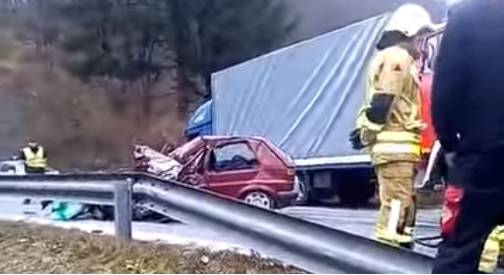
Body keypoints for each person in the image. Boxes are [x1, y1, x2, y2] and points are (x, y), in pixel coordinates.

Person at [350, 4, 435, 248]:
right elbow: (384, 99)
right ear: (408, 32)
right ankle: (388, 256)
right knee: (396, 203)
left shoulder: (401, 59)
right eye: (421, 35)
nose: (423, 42)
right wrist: (368, 131)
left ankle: (401, 243)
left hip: (399, 149)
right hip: (394, 148)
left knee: (403, 202)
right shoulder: (397, 57)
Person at [431, 1, 504, 273]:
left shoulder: (466, 17)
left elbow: (446, 90)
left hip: (480, 157)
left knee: (459, 251)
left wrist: (451, 143)